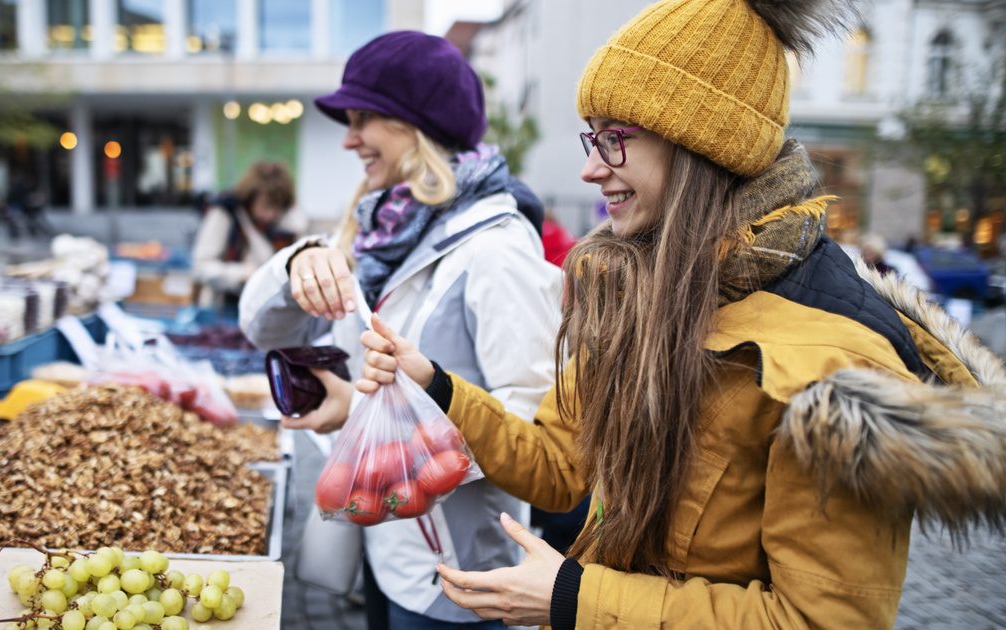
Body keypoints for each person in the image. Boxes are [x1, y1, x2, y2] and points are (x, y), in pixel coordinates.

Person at [354, 1, 1006, 628]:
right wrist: (433, 381)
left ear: (698, 145)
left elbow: (824, 619)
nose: (588, 168)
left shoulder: (836, 367)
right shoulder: (642, 296)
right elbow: (558, 464)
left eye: (614, 141)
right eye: (592, 138)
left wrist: (575, 599)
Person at [238, 31, 561, 629]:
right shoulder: (379, 234)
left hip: (462, 579)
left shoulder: (497, 252)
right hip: (388, 555)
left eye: (365, 118)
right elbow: (261, 328)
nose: (348, 138)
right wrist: (294, 264)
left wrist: (375, 435)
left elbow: (535, 432)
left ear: (419, 124)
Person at [192, 161, 301, 312]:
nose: (271, 215)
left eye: (277, 207)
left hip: (266, 309)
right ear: (250, 197)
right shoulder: (225, 214)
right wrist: (242, 273)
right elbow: (201, 268)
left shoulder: (285, 225)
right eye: (265, 206)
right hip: (225, 307)